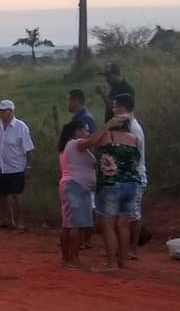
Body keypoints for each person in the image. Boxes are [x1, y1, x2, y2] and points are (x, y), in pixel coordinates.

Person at [88, 107, 142, 272]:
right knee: (123, 225)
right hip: (132, 184)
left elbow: (90, 142)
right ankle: (122, 261)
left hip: (112, 183)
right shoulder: (135, 139)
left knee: (108, 225)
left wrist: (106, 126)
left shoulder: (107, 136)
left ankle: (112, 264)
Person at [58, 120, 97, 268]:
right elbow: (92, 141)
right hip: (76, 186)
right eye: (85, 130)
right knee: (76, 224)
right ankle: (73, 258)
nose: (88, 134)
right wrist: (109, 126)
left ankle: (67, 258)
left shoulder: (66, 147)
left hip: (72, 185)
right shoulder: (76, 144)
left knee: (68, 223)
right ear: (77, 131)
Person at [0, 99, 35, 231]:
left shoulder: (21, 127)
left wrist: (28, 166)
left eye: (3, 110)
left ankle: (20, 222)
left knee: (17, 195)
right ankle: (6, 221)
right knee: (2, 195)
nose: (1, 113)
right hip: (2, 168)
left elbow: (29, 149)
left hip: (16, 167)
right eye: (0, 110)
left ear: (10, 111)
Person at [125, 101, 148, 257]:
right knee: (131, 213)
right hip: (133, 174)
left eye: (116, 106)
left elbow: (135, 154)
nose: (114, 110)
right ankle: (130, 247)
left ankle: (133, 248)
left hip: (135, 174)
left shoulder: (133, 128)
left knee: (133, 214)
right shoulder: (132, 126)